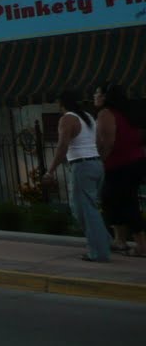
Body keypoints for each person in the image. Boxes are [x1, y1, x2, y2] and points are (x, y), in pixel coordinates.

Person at [46, 88, 109, 262]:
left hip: (82, 166)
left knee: (84, 210)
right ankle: (103, 241)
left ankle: (99, 252)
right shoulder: (88, 117)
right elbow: (99, 142)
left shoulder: (67, 119)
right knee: (89, 208)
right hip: (96, 163)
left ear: (61, 103)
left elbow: (62, 146)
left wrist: (50, 170)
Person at [96, 84, 146, 257]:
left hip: (118, 164)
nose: (95, 96)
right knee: (115, 200)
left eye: (97, 92)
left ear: (105, 97)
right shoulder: (129, 112)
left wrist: (99, 162)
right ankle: (120, 240)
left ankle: (140, 245)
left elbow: (108, 143)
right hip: (136, 161)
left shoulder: (106, 114)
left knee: (124, 203)